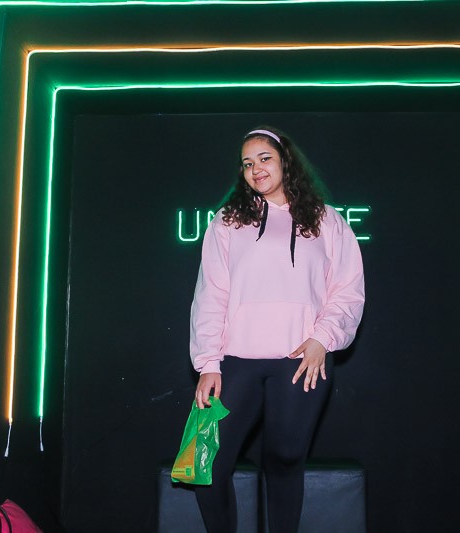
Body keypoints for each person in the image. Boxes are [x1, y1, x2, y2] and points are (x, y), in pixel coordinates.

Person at [190, 126, 365, 532]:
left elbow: (348, 289)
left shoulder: (327, 219)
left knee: (285, 460)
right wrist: (208, 362)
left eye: (264, 158)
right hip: (235, 361)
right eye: (247, 163)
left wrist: (323, 339)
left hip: (301, 359)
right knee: (205, 461)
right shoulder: (227, 222)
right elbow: (211, 293)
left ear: (286, 160)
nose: (256, 169)